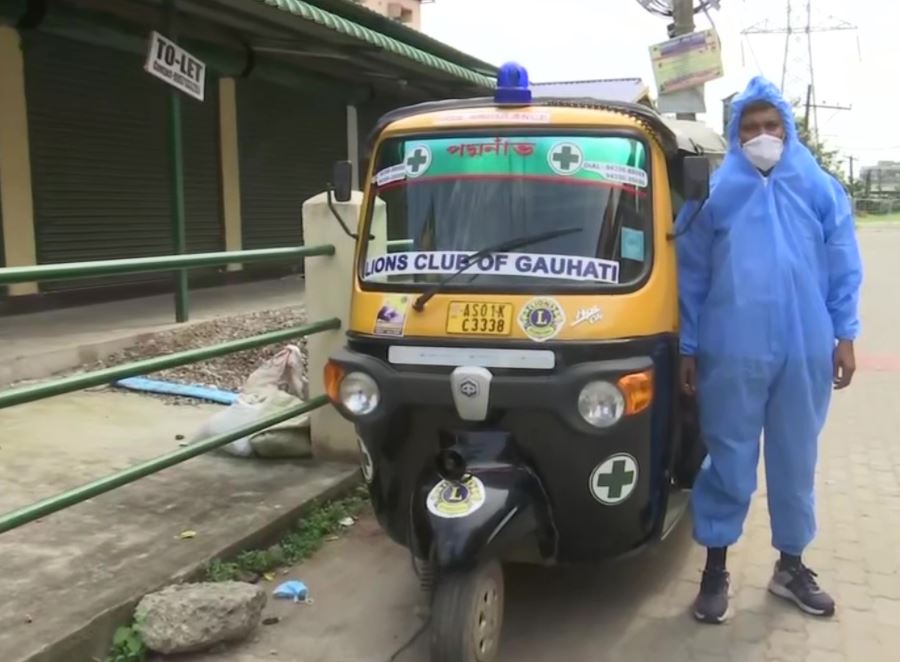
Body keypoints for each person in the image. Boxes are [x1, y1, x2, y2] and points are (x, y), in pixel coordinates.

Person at [675, 76, 863, 624]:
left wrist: (845, 333)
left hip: (805, 345)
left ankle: (791, 567)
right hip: (731, 346)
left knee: (795, 457)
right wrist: (690, 346)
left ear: (787, 129)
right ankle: (714, 569)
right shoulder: (714, 193)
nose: (762, 135)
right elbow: (692, 275)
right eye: (751, 126)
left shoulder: (819, 188)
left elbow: (843, 264)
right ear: (737, 133)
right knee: (728, 458)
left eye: (770, 125)